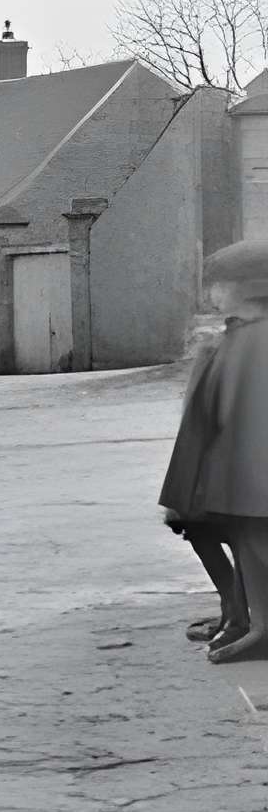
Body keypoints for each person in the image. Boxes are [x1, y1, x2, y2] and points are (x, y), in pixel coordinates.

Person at [161, 240, 268, 664]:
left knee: (251, 536)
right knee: (240, 537)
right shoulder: (235, 336)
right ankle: (244, 617)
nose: (211, 296)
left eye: (219, 286)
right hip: (234, 469)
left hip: (247, 468)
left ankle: (251, 622)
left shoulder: (250, 340)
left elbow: (229, 411)